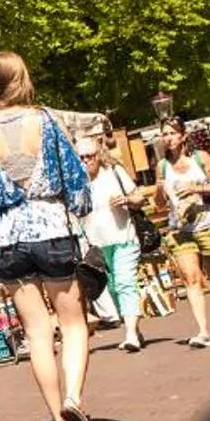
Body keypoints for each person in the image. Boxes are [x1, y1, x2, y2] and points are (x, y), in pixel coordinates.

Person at [0, 54, 100, 421]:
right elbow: (75, 181)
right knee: (73, 324)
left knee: (37, 332)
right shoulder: (45, 122)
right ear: (22, 80)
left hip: (6, 238)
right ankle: (73, 398)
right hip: (51, 227)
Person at [154, 121, 210, 348]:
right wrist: (159, 190)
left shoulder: (200, 158)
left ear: (182, 136)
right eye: (164, 134)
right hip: (181, 229)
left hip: (209, 223)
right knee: (191, 278)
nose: (168, 138)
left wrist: (196, 189)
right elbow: (160, 205)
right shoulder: (162, 166)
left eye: (172, 133)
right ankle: (202, 331)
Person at [77, 133, 150, 353]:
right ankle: (133, 328)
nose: (86, 161)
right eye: (80, 157)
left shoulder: (114, 172)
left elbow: (139, 197)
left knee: (125, 282)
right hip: (97, 244)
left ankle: (129, 335)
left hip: (124, 237)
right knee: (112, 287)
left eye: (89, 156)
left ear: (98, 155)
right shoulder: (76, 181)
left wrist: (126, 200)